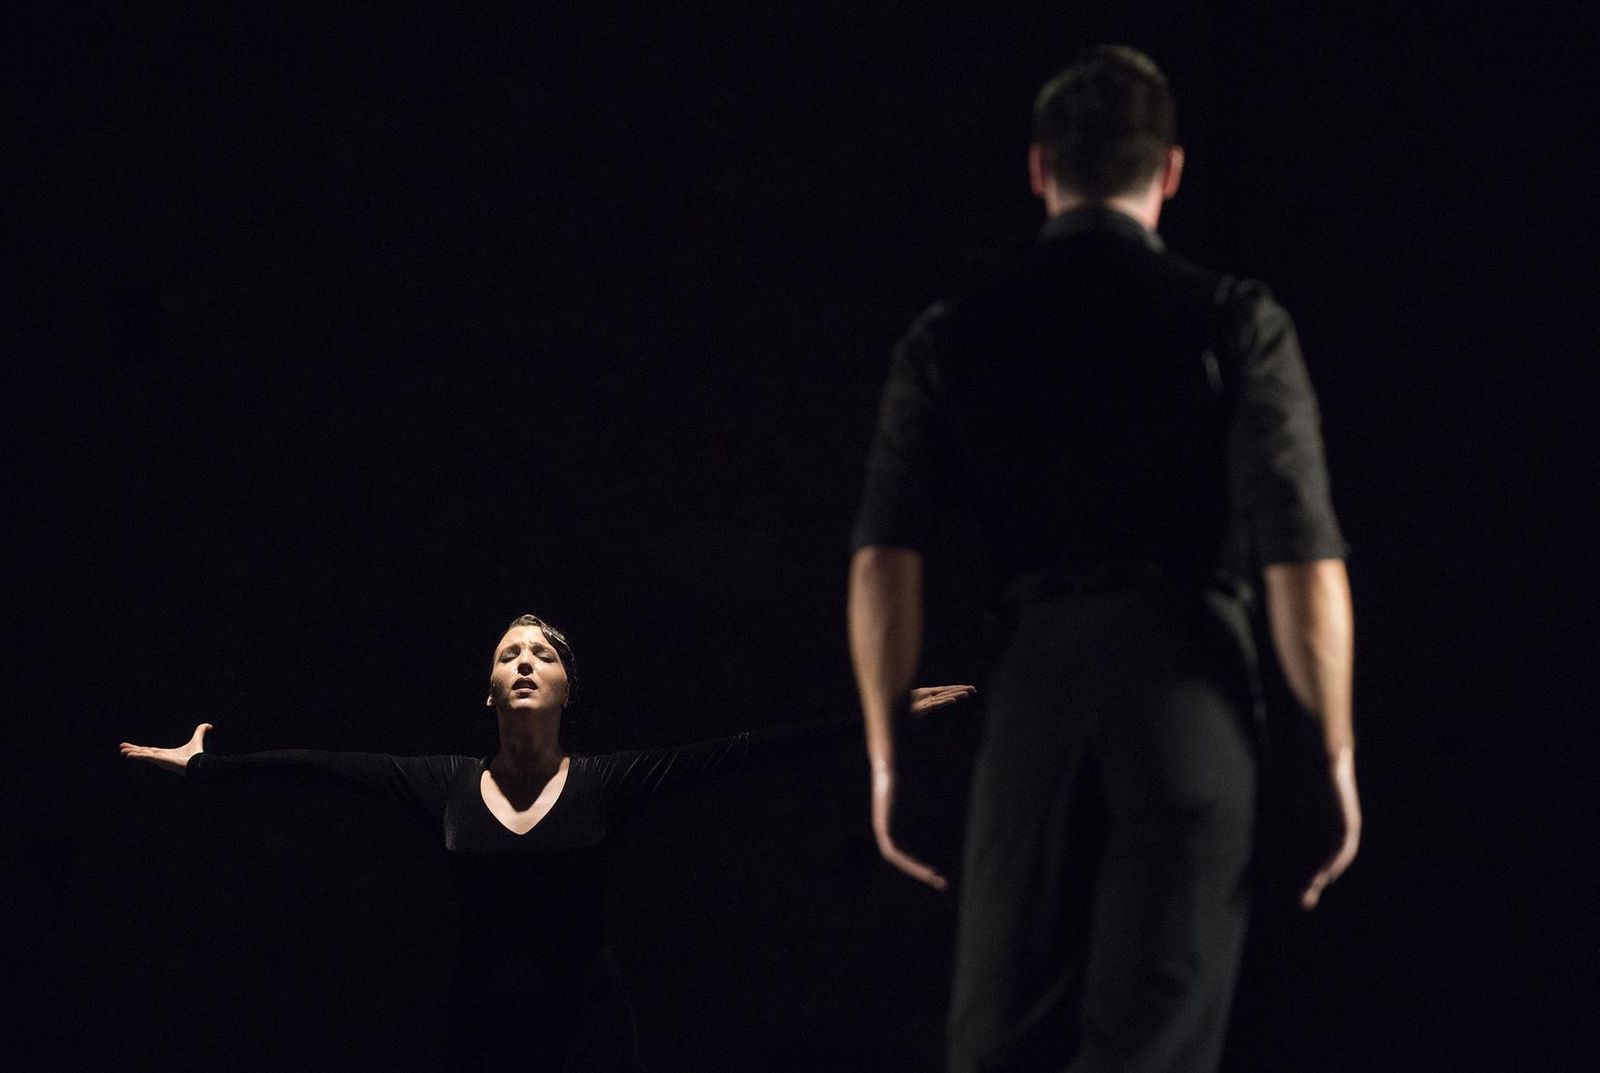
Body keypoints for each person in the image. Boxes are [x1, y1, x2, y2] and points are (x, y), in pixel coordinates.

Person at [846, 46, 1360, 1073]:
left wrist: (886, 753)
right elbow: (1300, 559)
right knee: (1154, 1045)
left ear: (1039, 169)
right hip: (1188, 694)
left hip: (1032, 695)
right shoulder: (1234, 320)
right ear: (1169, 170)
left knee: (995, 1040)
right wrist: (1333, 752)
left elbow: (883, 558)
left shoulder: (952, 334)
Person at [121, 612, 974, 1072]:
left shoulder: (610, 780)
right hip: (482, 1025)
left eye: (541, 654)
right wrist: (210, 767)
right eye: (507, 654)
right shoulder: (442, 783)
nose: (523, 661)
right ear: (489, 691)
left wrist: (877, 718)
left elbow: (745, 753)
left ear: (567, 690)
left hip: (589, 1032)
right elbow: (322, 768)